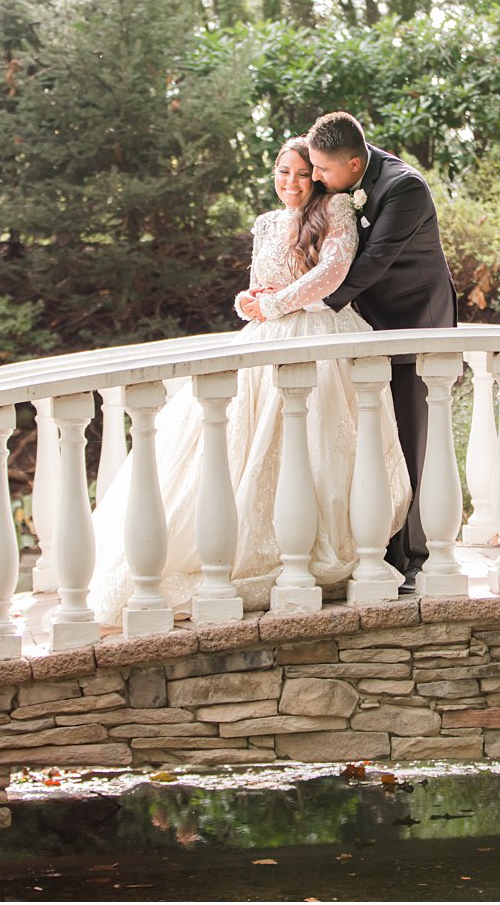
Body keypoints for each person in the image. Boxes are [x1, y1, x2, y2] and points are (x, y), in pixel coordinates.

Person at [88, 137, 411, 622]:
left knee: (321, 442)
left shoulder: (338, 209)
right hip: (264, 339)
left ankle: (316, 552)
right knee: (238, 440)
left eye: (303, 173)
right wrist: (249, 302)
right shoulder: (265, 224)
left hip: (317, 334)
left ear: (319, 177)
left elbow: (333, 270)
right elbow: (260, 283)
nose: (292, 183)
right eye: (284, 172)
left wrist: (275, 304)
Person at [305, 113, 457, 593]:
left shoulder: (404, 188)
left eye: (323, 170)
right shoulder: (340, 184)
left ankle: (416, 555)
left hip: (415, 323)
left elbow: (373, 261)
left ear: (353, 163)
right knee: (372, 437)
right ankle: (378, 545)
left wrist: (315, 306)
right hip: (369, 325)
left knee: (412, 440)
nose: (315, 178)